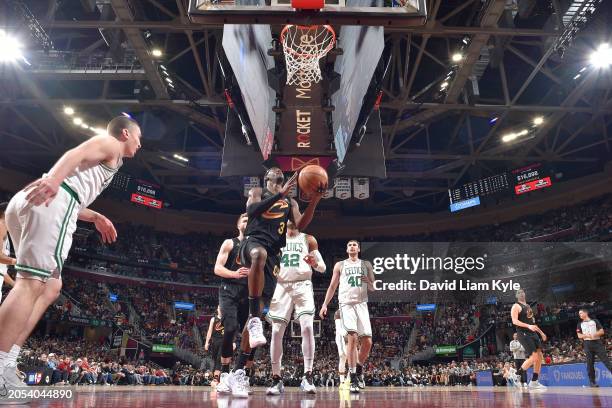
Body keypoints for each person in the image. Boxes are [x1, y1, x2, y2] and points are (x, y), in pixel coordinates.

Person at [0, 116, 141, 395]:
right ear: (125, 133)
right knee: (31, 284)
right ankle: (1, 363)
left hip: (35, 200)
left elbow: (76, 188)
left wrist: (96, 215)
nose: (140, 144)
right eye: (139, 138)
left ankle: (8, 361)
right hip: (53, 200)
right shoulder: (111, 143)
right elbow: (73, 155)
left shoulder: (109, 160)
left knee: (51, 286)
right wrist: (53, 180)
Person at [236, 168, 322, 381]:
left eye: (282, 178)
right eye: (275, 177)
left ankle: (237, 371)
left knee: (256, 313)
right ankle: (255, 319)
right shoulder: (258, 192)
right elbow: (252, 211)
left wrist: (315, 200)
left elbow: (301, 225)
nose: (280, 179)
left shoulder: (291, 203)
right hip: (252, 243)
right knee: (258, 254)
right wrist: (280, 194)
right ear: (267, 179)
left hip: (273, 256)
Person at [266, 221, 326, 395]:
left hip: (303, 284)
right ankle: (276, 379)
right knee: (276, 332)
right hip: (281, 286)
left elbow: (322, 268)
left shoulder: (308, 239)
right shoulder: (276, 238)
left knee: (307, 327)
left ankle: (308, 376)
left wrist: (314, 263)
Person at [319, 240, 376, 393]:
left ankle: (358, 368)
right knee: (352, 337)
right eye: (349, 245)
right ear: (346, 249)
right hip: (346, 304)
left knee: (368, 342)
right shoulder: (340, 265)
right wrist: (325, 304)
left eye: (354, 245)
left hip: (362, 304)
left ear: (359, 248)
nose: (352, 246)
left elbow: (373, 287)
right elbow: (332, 286)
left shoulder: (366, 264)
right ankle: (353, 377)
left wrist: (369, 282)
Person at [212, 213, 252, 397]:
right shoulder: (230, 243)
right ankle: (225, 373)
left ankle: (241, 373)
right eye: (244, 220)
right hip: (229, 290)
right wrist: (235, 274)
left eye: (250, 220)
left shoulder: (256, 247)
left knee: (250, 333)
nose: (247, 222)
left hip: (249, 293)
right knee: (230, 328)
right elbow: (217, 268)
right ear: (238, 225)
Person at [510, 289, 547, 390]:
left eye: (522, 292)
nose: (521, 293)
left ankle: (534, 381)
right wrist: (528, 326)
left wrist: (541, 332)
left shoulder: (528, 307)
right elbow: (514, 321)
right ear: (516, 296)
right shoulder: (516, 306)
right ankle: (516, 374)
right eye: (518, 293)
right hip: (523, 333)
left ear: (525, 294)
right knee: (534, 357)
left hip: (533, 333)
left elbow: (532, 323)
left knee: (539, 357)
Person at [576, 308, 612, 387]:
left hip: (597, 343)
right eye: (579, 314)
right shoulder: (579, 324)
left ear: (586, 313)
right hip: (587, 344)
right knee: (590, 364)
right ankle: (592, 382)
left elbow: (602, 331)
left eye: (581, 313)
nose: (580, 315)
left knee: (606, 360)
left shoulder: (594, 321)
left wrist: (594, 334)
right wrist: (586, 335)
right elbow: (579, 335)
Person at [204, 306, 224, 387]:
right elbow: (209, 332)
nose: (221, 309)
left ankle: (216, 379)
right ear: (217, 309)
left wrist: (232, 342)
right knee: (215, 359)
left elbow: (231, 331)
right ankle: (216, 378)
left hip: (223, 341)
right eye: (220, 308)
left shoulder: (227, 319)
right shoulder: (213, 319)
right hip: (214, 342)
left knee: (219, 359)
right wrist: (206, 342)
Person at [0, 202, 16, 302]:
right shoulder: (1, 225)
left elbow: (1, 271)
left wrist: (14, 285)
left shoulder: (5, 231)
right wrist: (17, 262)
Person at [334, 309, 350, 389]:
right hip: (341, 337)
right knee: (343, 358)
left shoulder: (351, 310)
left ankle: (349, 379)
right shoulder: (338, 312)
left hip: (350, 336)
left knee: (352, 358)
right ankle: (342, 382)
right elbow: (339, 328)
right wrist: (345, 336)